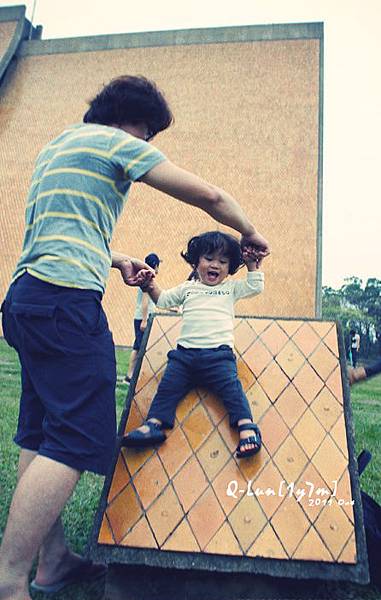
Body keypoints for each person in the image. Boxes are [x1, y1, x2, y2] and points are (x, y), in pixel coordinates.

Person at [0, 75, 270, 600]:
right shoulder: (115, 141)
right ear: (129, 121)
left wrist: (118, 257)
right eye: (147, 135)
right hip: (64, 304)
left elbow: (62, 234)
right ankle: (11, 581)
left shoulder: (58, 146)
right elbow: (208, 194)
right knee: (79, 436)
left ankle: (52, 561)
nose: (146, 147)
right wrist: (250, 232)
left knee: (40, 430)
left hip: (26, 299)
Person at [123, 231, 264, 459]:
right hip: (184, 358)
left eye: (223, 261)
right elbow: (164, 300)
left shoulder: (231, 289)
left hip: (219, 358)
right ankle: (153, 425)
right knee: (167, 389)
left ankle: (247, 428)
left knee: (233, 390)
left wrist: (251, 265)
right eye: (208, 258)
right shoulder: (188, 288)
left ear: (230, 267)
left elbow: (255, 287)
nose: (215, 265)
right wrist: (149, 285)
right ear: (196, 261)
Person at [124, 253, 161, 383]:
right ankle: (132, 376)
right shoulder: (147, 278)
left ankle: (132, 375)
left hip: (141, 317)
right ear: (155, 265)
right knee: (140, 348)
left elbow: (152, 302)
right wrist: (145, 320)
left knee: (138, 347)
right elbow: (145, 302)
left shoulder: (144, 276)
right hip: (142, 318)